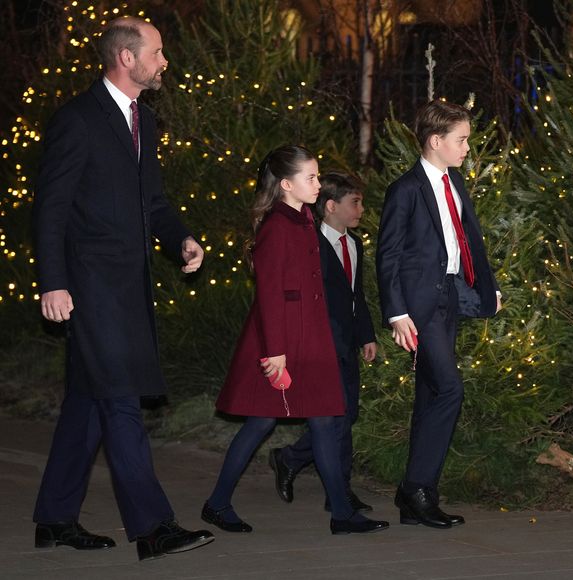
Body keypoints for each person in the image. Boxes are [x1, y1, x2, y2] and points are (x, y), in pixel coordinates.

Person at [32, 17, 214, 560]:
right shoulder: (78, 120)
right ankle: (153, 528)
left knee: (89, 404)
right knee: (120, 402)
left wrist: (180, 238)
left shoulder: (143, 121)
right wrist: (53, 283)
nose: (165, 62)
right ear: (126, 58)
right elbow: (51, 208)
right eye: (157, 52)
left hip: (128, 287)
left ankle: (55, 518)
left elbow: (151, 201)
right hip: (89, 289)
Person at [201, 146, 388, 535]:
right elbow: (269, 294)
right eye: (312, 178)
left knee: (325, 420)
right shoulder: (276, 226)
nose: (318, 185)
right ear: (287, 184)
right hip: (280, 344)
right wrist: (276, 353)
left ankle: (341, 513)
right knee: (259, 424)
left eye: (318, 177)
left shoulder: (303, 218)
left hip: (310, 339)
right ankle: (217, 503)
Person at [376, 99, 502, 529]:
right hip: (419, 307)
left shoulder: (456, 183)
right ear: (435, 141)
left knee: (430, 395)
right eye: (461, 140)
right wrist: (396, 314)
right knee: (450, 389)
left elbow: (468, 243)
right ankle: (417, 488)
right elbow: (387, 255)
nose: (467, 147)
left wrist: (486, 290)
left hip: (448, 298)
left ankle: (415, 498)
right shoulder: (407, 189)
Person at [269, 172, 377, 513]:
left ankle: (289, 457)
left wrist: (367, 335)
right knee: (334, 416)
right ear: (330, 206)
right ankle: (338, 492)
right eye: (354, 202)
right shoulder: (311, 243)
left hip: (347, 342)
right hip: (318, 343)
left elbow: (355, 295)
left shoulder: (355, 245)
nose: (361, 208)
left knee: (347, 413)